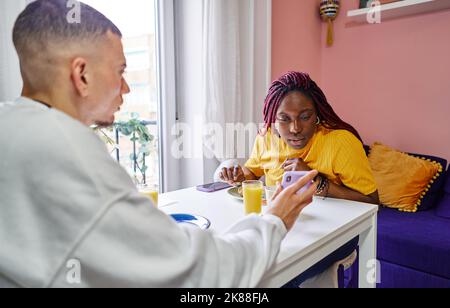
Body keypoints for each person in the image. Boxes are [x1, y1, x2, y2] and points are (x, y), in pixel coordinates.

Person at [0, 0, 318, 288]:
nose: (125, 87)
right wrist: (275, 220)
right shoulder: (68, 152)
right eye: (120, 71)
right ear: (81, 74)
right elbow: (202, 274)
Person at [220, 71, 380, 286]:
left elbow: (372, 200)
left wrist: (317, 182)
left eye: (305, 117)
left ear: (317, 115)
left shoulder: (341, 143)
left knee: (272, 276)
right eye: (284, 119)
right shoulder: (266, 136)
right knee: (241, 268)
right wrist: (241, 176)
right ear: (272, 120)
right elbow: (253, 171)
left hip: (334, 234)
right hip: (283, 228)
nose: (295, 129)